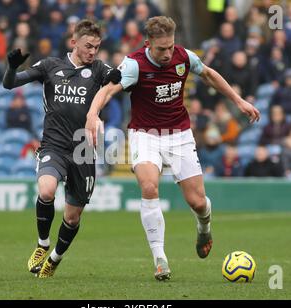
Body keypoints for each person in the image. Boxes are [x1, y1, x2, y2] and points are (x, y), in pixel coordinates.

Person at [85, 16, 260, 281]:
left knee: (198, 202)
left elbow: (209, 75)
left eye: (170, 47)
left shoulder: (184, 57)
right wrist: (92, 114)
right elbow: (108, 90)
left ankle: (204, 228)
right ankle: (160, 259)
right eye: (161, 49)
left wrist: (239, 101)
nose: (167, 54)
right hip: (145, 134)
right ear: (148, 44)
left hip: (179, 134)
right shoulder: (134, 64)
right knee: (149, 186)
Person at [2, 19, 121, 279]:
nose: (92, 52)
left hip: (83, 150)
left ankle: (54, 258)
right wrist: (11, 68)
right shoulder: (49, 66)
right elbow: (10, 84)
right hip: (53, 145)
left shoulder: (99, 69)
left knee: (73, 218)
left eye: (97, 47)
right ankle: (42, 244)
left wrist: (117, 79)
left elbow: (121, 80)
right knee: (46, 190)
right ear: (73, 42)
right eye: (88, 46)